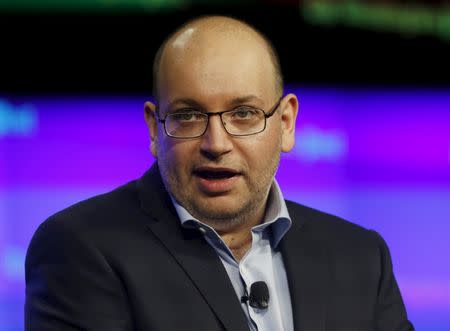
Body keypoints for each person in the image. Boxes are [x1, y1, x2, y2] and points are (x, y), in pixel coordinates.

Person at [25, 15, 414, 331]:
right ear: (154, 129)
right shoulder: (79, 248)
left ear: (287, 123)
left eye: (243, 114)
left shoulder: (360, 256)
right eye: (188, 115)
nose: (216, 142)